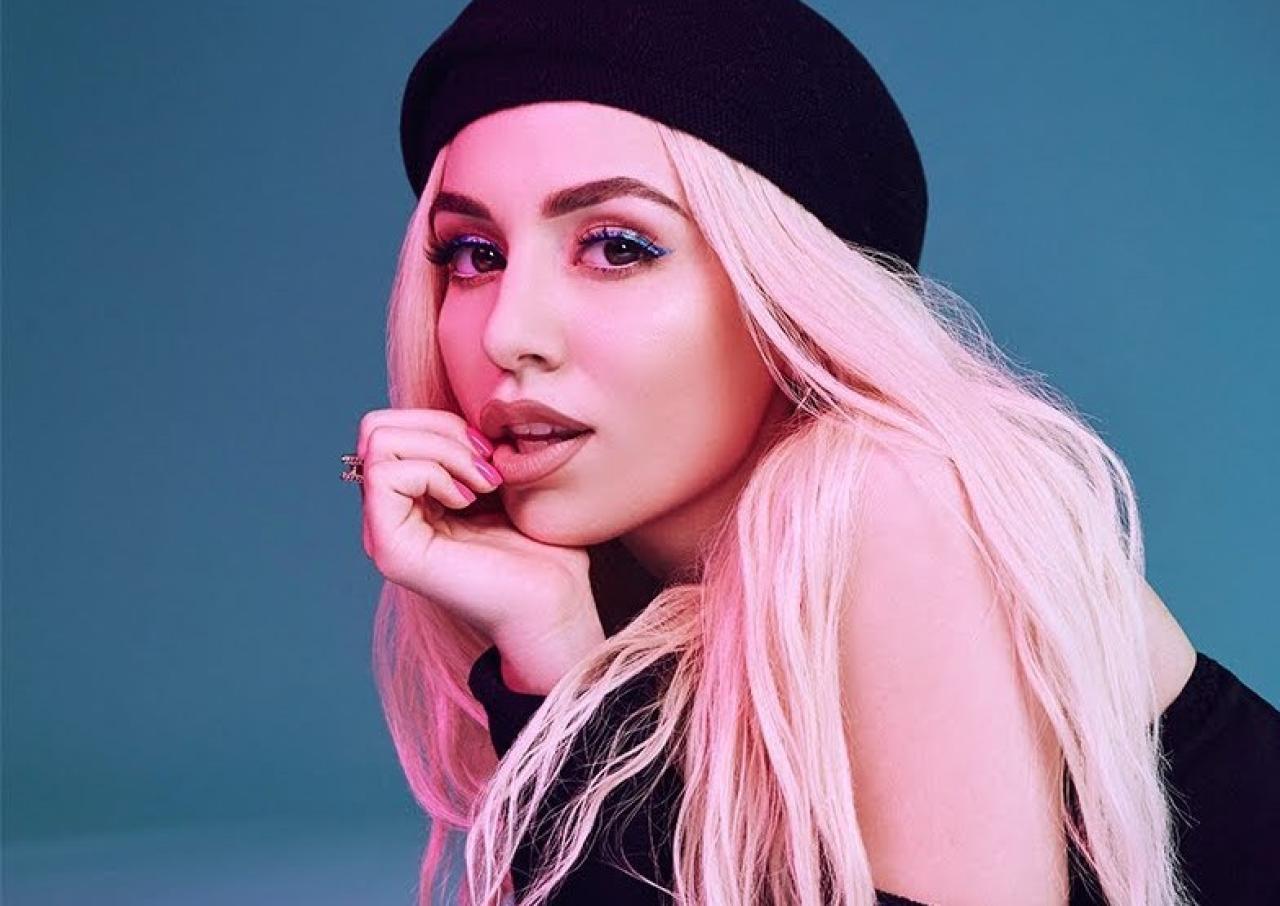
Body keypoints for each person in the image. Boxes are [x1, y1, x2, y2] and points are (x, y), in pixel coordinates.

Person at [342, 1, 1280, 903]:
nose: (508, 333)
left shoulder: (898, 494)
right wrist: (551, 652)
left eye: (618, 247)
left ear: (788, 290)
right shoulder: (648, 610)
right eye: (473, 254)